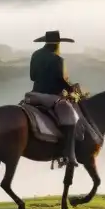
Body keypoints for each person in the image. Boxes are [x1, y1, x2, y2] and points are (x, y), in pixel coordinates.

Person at [28, 30, 81, 168]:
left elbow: (32, 77)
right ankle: (69, 154)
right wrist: (71, 88)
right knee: (71, 117)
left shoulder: (35, 55)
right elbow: (61, 81)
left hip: (33, 95)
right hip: (50, 97)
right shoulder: (58, 60)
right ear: (57, 44)